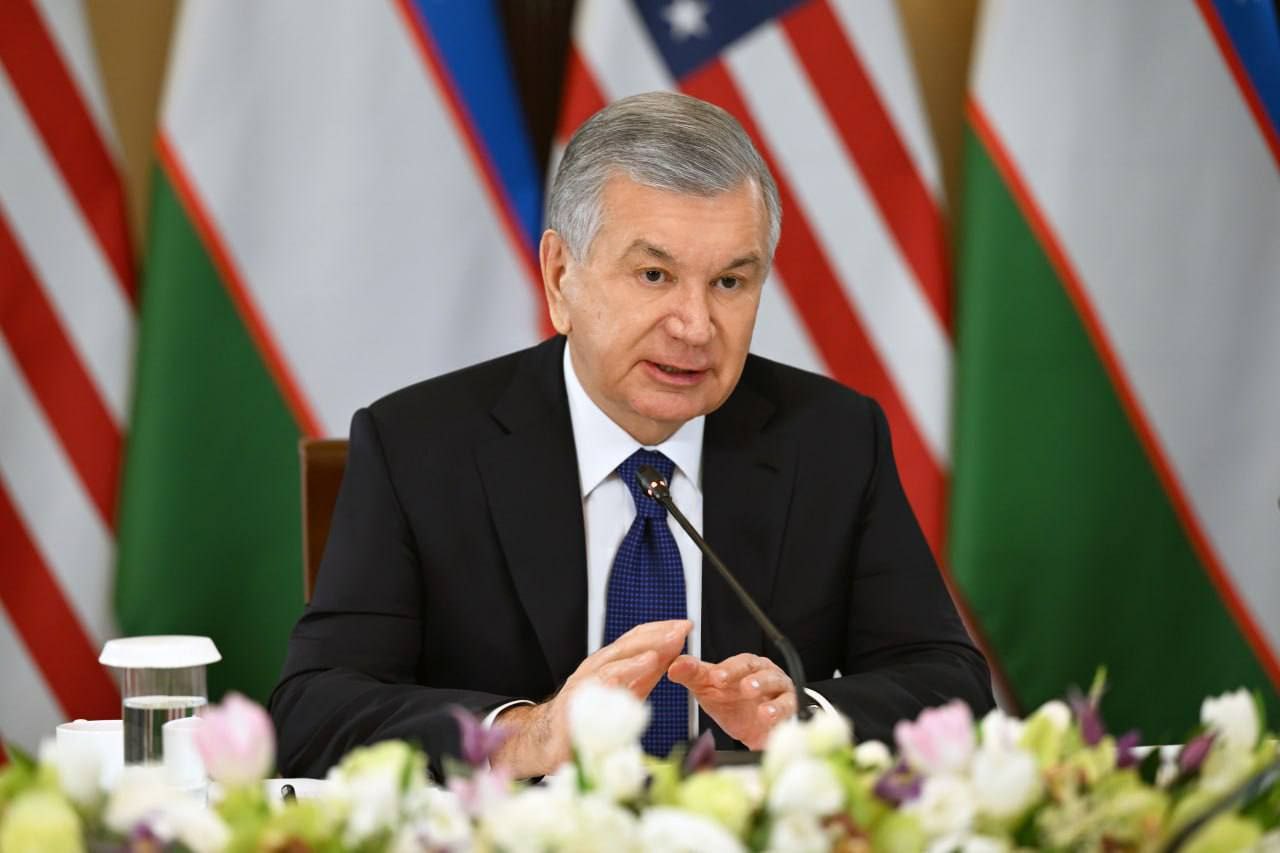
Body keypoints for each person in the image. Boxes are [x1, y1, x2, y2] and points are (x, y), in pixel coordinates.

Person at [269, 91, 992, 780]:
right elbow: (314, 709)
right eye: (654, 274)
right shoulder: (419, 446)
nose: (695, 326)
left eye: (730, 283)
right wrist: (524, 735)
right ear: (561, 276)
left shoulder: (832, 440)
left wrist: (804, 718)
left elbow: (950, 684)